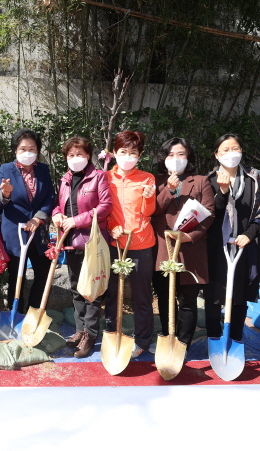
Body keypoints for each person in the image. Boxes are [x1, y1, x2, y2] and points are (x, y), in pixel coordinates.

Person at [205, 133, 260, 343]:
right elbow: (208, 215)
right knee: (214, 292)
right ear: (216, 155)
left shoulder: (256, 177)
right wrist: (223, 191)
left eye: (235, 149)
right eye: (225, 150)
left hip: (245, 246)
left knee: (240, 291)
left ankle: (236, 336)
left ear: (242, 151)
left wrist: (250, 234)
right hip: (217, 246)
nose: (231, 154)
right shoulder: (209, 180)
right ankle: (213, 335)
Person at [151, 138, 214, 351]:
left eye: (181, 154)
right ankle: (168, 337)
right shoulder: (155, 180)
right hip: (163, 247)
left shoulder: (201, 180)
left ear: (189, 157)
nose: (175, 159)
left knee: (187, 300)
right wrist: (168, 189)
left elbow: (208, 213)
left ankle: (183, 343)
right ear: (163, 158)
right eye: (170, 155)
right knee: (165, 297)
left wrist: (191, 236)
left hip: (191, 248)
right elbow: (152, 210)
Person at [51, 137, 112, 358]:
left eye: (80, 154)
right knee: (77, 287)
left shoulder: (98, 177)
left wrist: (78, 221)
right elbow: (59, 203)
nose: (75, 159)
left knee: (92, 290)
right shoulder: (65, 179)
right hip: (70, 241)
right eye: (71, 155)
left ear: (88, 156)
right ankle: (79, 330)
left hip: (92, 241)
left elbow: (105, 206)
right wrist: (56, 213)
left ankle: (91, 333)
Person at [105, 130, 156, 359]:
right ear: (114, 153)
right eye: (123, 151)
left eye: (133, 152)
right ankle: (111, 334)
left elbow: (149, 211)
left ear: (140, 155)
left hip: (142, 244)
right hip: (115, 244)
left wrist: (149, 196)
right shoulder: (105, 178)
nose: (128, 156)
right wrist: (111, 227)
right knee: (112, 293)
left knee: (142, 296)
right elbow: (103, 209)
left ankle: (143, 339)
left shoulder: (147, 178)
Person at [0, 128, 55, 314]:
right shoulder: (6, 169)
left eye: (32, 148)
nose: (27, 153)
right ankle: (15, 313)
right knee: (16, 275)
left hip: (38, 232)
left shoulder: (43, 170)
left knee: (42, 272)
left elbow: (50, 198)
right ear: (15, 150)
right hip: (15, 232)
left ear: (37, 151)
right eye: (23, 149)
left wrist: (38, 218)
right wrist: (5, 193)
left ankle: (33, 312)